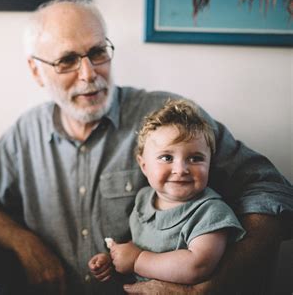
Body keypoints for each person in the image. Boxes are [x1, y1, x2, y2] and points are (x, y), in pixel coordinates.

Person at [0, 0, 293, 295]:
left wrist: (217, 283)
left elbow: (273, 192)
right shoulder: (25, 133)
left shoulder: (170, 121)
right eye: (66, 60)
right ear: (36, 71)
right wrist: (25, 244)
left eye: (97, 52)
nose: (89, 74)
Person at [88, 99, 246, 285]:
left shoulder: (211, 212)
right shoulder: (143, 200)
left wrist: (137, 261)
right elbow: (139, 244)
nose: (181, 169)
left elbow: (197, 266)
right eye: (166, 157)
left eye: (195, 158)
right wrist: (115, 258)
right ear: (144, 165)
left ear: (210, 164)